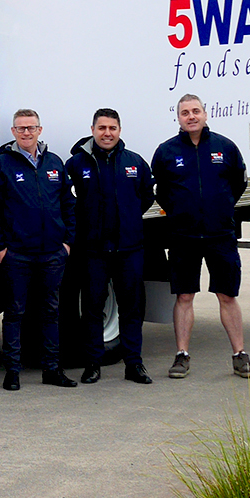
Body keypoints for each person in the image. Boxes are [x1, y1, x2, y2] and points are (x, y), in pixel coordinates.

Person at [152, 94, 250, 379]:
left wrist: (218, 209)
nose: (191, 116)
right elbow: (160, 190)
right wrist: (179, 212)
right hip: (183, 236)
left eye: (196, 111)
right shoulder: (166, 152)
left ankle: (240, 355)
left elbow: (238, 184)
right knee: (184, 296)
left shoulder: (225, 147)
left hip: (220, 234)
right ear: (179, 118)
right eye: (185, 112)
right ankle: (182, 355)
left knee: (227, 294)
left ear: (205, 114)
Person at [0, 108, 78, 391]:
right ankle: (13, 372)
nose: (26, 132)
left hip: (52, 254)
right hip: (17, 255)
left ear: (39, 130)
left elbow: (69, 204)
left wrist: (67, 242)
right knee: (15, 313)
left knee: (50, 312)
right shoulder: (2, 165)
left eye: (31, 128)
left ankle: (51, 369)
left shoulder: (55, 163)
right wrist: (0, 248)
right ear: (13, 132)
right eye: (21, 128)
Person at [66, 108, 155, 384]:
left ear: (119, 130)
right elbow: (69, 205)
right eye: (102, 128)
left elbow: (146, 198)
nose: (107, 133)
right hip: (93, 251)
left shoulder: (135, 163)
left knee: (132, 307)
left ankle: (134, 365)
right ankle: (93, 363)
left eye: (112, 128)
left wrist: (127, 223)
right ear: (92, 129)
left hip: (129, 249)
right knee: (92, 309)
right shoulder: (77, 165)